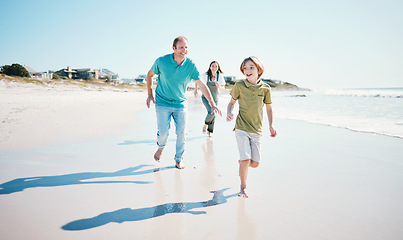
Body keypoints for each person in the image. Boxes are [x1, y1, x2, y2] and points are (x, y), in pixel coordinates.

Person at [146, 36, 221, 169]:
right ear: (173, 48)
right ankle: (161, 148)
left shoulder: (190, 65)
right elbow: (149, 75)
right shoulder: (162, 61)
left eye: (186, 47)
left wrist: (212, 103)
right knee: (163, 132)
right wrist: (149, 95)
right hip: (162, 102)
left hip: (180, 104)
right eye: (181, 47)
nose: (184, 50)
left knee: (182, 132)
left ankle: (178, 159)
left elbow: (202, 85)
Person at [226, 56, 277, 198]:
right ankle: (243, 187)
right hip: (241, 127)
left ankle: (242, 162)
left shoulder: (266, 89)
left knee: (254, 163)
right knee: (246, 159)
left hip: (257, 130)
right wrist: (229, 112)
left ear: (259, 69)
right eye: (245, 68)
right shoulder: (239, 86)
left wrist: (271, 126)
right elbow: (231, 103)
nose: (247, 70)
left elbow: (269, 109)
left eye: (251, 67)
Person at [194, 61, 225, 137]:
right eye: (213, 66)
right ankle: (205, 124)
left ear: (218, 68)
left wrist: (219, 86)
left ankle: (210, 131)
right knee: (212, 113)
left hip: (215, 98)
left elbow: (223, 88)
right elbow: (197, 80)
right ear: (210, 67)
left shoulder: (219, 76)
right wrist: (195, 91)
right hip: (205, 98)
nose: (214, 68)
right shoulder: (205, 75)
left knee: (214, 115)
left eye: (216, 66)